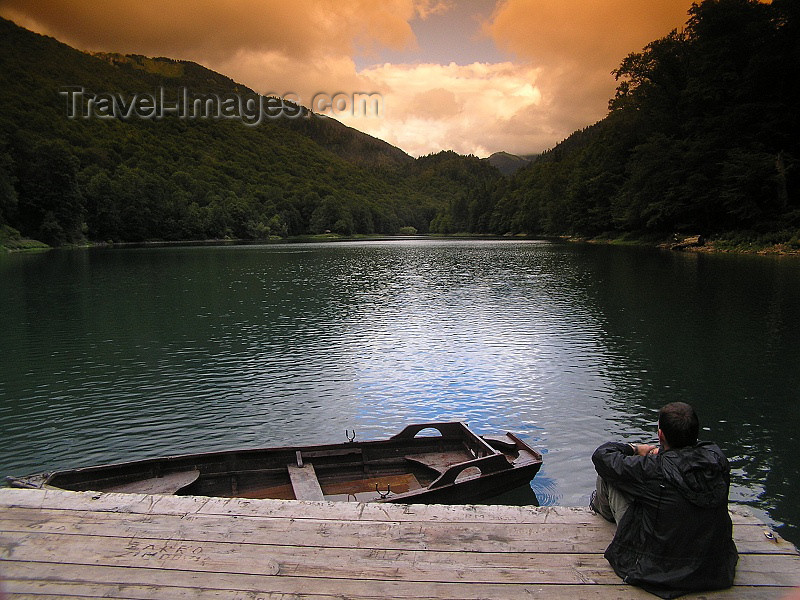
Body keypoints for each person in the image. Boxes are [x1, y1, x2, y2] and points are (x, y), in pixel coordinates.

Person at [590, 401, 738, 598]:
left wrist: (635, 449)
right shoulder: (717, 459)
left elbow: (602, 456)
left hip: (657, 572)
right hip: (714, 569)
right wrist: (667, 453)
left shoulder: (653, 468)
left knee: (611, 476)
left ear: (660, 435)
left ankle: (598, 508)